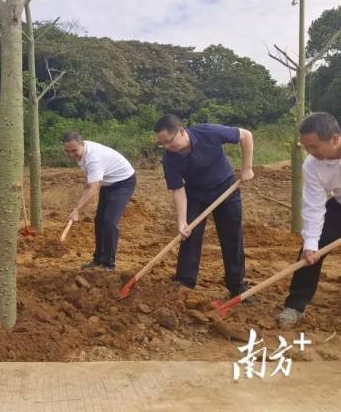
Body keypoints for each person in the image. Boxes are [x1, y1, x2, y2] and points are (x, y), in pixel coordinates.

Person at [153, 114, 254, 298]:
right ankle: (184, 282)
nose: (166, 147)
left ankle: (237, 285)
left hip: (225, 188)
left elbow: (245, 135)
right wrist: (182, 222)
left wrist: (247, 168)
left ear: (181, 131)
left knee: (231, 237)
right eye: (162, 144)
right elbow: (178, 190)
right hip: (195, 194)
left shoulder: (208, 132)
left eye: (168, 141)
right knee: (189, 235)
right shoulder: (170, 159)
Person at [277, 112, 341, 327]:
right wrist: (311, 243)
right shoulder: (312, 165)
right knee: (310, 253)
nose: (310, 152)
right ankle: (295, 305)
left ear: (334, 138)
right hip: (338, 205)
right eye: (306, 147)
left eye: (314, 146)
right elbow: (314, 205)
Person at [62, 132, 137, 271]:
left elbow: (94, 188)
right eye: (67, 151)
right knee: (99, 220)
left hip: (123, 182)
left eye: (74, 151)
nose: (71, 154)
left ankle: (109, 264)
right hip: (107, 182)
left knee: (109, 221)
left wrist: (77, 210)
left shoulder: (93, 159)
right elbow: (92, 183)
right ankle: (98, 259)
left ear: (82, 144)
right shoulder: (83, 152)